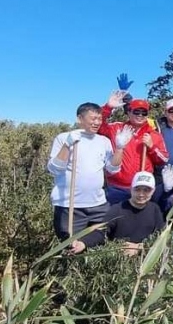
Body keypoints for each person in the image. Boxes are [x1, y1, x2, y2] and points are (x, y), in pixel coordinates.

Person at [48, 102, 130, 241]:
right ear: (80, 119)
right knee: (70, 245)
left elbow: (112, 168)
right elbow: (55, 169)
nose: (97, 122)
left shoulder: (103, 141)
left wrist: (120, 148)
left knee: (100, 241)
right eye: (93, 119)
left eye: (99, 119)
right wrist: (68, 145)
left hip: (98, 204)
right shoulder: (64, 138)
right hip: (70, 206)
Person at [69, 171, 165, 257]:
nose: (141, 194)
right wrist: (83, 243)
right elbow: (101, 232)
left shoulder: (154, 210)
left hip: (144, 261)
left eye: (146, 190)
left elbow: (162, 238)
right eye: (137, 189)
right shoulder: (118, 209)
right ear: (131, 189)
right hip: (120, 259)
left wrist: (139, 248)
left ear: (153, 191)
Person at [99, 91, 169, 204]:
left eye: (144, 112)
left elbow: (163, 160)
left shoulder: (154, 135)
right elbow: (98, 126)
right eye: (136, 112)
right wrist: (108, 107)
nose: (140, 115)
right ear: (129, 112)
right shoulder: (117, 128)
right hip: (117, 188)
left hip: (141, 189)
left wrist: (152, 147)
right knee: (114, 220)